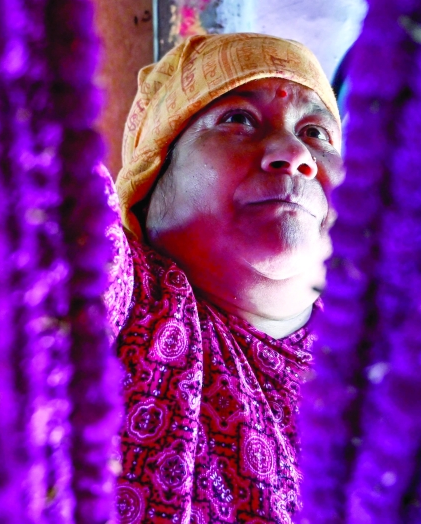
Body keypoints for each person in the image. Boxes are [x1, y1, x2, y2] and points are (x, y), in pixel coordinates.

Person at [103, 32, 344, 524]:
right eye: (238, 119)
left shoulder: (389, 361)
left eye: (316, 133)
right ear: (153, 180)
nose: (292, 152)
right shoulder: (128, 301)